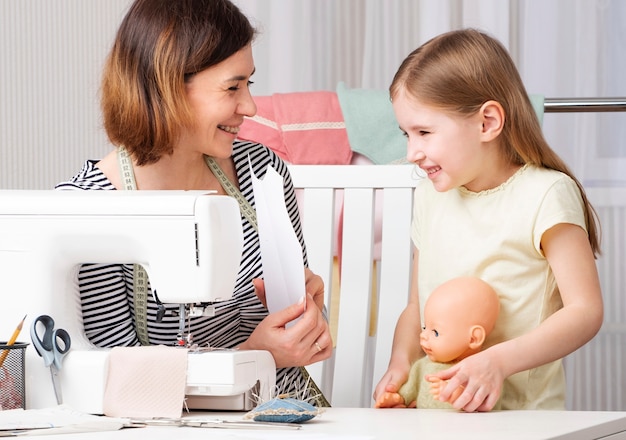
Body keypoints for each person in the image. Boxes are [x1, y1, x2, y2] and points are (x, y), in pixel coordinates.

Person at [55, 0, 331, 406]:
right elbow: (113, 387)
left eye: (249, 84)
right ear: (166, 87)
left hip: (284, 411)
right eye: (232, 87)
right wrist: (254, 357)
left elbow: (300, 334)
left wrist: (309, 318)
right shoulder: (91, 208)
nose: (251, 107)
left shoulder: (261, 171)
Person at [373, 28, 603, 412]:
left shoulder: (546, 193)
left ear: (487, 123)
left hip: (523, 419)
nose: (413, 152)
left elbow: (585, 312)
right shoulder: (431, 195)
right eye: (406, 134)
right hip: (440, 418)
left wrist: (498, 362)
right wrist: (401, 364)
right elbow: (417, 307)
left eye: (425, 132)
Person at [375, 277, 500, 409]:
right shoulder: (421, 366)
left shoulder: (481, 373)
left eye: (435, 332)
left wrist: (456, 394)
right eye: (424, 328)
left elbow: (484, 400)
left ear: (473, 338)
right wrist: (398, 398)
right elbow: (410, 389)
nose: (423, 336)